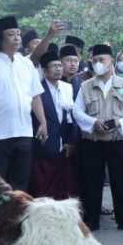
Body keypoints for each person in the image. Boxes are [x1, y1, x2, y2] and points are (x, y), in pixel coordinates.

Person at [0, 15, 48, 191]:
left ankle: (17, 218)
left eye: (18, 34)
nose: (17, 38)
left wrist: (43, 122)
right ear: (0, 38)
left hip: (24, 132)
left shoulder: (26, 64)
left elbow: (35, 95)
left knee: (20, 184)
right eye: (11, 34)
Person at [73, 44, 123, 231]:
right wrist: (93, 122)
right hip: (92, 141)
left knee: (122, 181)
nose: (98, 64)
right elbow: (77, 112)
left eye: (101, 60)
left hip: (118, 140)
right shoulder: (85, 86)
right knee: (92, 182)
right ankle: (91, 221)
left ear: (111, 61)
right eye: (94, 61)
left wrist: (119, 123)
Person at [29, 46, 79, 200]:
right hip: (43, 147)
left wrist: (71, 141)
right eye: (54, 66)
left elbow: (72, 117)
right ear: (44, 71)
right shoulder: (37, 90)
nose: (58, 69)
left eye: (59, 66)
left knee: (63, 190)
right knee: (43, 190)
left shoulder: (67, 88)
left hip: (63, 148)